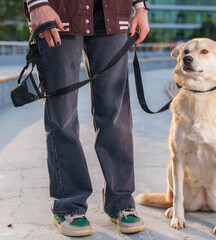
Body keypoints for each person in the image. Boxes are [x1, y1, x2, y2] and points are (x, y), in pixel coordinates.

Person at [23, 0, 150, 237]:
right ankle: (69, 205)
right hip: (59, 10)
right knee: (63, 115)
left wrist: (140, 7)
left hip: (113, 11)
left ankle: (121, 201)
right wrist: (36, 4)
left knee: (116, 115)